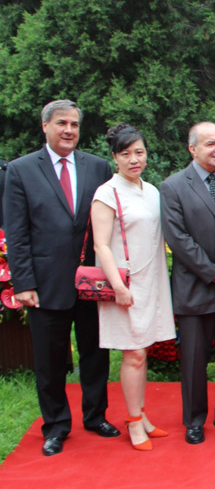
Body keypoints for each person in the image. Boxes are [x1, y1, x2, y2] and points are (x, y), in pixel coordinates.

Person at [3, 100, 118, 456]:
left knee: (96, 354)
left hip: (90, 282)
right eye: (61, 123)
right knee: (50, 361)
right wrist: (23, 284)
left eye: (74, 124)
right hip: (45, 283)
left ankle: (95, 415)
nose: (69, 130)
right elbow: (17, 233)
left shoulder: (98, 167)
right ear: (45, 126)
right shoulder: (21, 171)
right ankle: (55, 425)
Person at [91, 123, 176, 451]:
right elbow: (102, 245)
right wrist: (117, 287)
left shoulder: (151, 190)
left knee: (143, 352)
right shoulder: (106, 193)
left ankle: (141, 415)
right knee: (135, 354)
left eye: (138, 152)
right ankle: (132, 419)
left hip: (152, 281)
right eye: (125, 154)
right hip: (124, 284)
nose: (133, 159)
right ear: (114, 158)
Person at [160, 122, 215, 444]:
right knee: (194, 360)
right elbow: (178, 240)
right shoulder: (173, 186)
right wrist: (214, 273)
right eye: (211, 144)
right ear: (192, 149)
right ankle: (194, 421)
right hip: (196, 286)